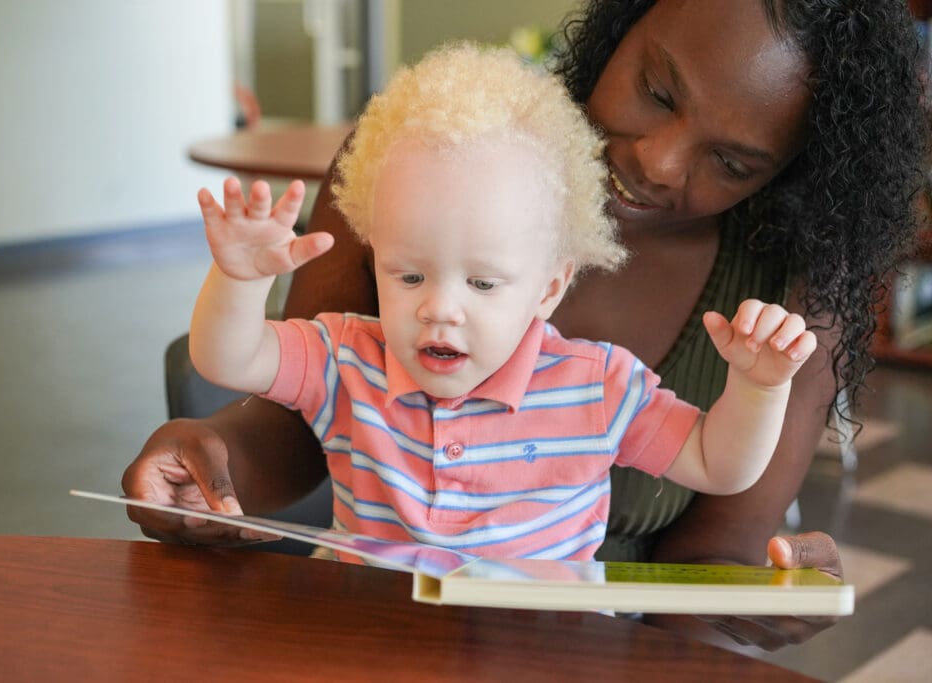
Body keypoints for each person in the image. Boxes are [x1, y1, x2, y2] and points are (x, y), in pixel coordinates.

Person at [124, 0, 929, 650]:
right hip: (373, 631)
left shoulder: (769, 311)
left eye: (733, 163)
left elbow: (714, 525)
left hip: (578, 649)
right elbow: (308, 414)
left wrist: (755, 586)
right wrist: (217, 456)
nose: (660, 161)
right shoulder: (423, 163)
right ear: (623, 26)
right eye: (656, 89)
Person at [186, 43, 816, 562]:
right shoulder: (348, 357)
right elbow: (229, 359)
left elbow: (718, 464)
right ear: (374, 252)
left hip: (539, 652)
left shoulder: (595, 388)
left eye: (483, 284)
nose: (440, 308)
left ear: (548, 288)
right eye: (407, 276)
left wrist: (759, 388)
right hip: (370, 638)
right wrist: (240, 280)